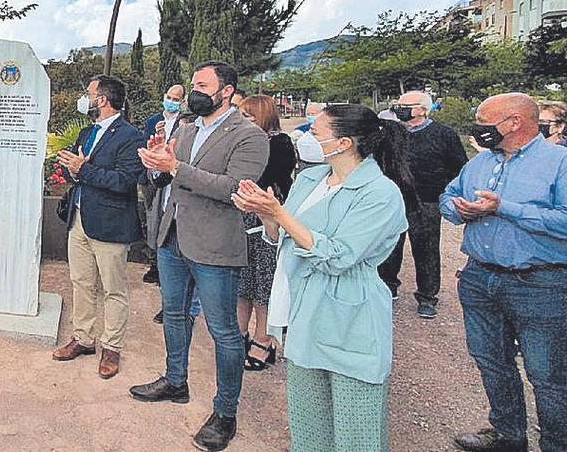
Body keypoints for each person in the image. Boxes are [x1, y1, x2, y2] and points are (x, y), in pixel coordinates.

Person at [233, 104, 413, 452]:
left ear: (344, 142)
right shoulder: (311, 178)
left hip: (348, 317)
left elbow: (340, 256)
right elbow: (281, 237)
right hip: (304, 312)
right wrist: (265, 214)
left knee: (355, 428)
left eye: (315, 133)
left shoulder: (380, 193)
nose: (307, 139)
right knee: (308, 422)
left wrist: (279, 213)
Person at [131, 61, 268, 452]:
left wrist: (174, 167)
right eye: (193, 84)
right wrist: (157, 166)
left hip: (214, 245)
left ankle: (225, 413)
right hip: (173, 237)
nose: (194, 91)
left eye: (202, 85)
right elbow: (169, 178)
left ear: (226, 91)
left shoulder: (249, 135)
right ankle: (176, 381)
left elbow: (232, 189)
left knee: (223, 331)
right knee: (174, 314)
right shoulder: (187, 129)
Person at [442, 93, 567, 452]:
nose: (477, 127)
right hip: (480, 278)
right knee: (491, 360)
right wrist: (459, 210)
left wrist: (506, 208)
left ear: (514, 122)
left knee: (548, 376)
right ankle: (507, 435)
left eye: (484, 119)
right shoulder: (480, 163)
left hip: (542, 283)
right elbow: (448, 196)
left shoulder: (559, 162)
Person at [51, 75, 144, 379]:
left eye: (88, 93)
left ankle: (112, 347)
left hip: (111, 223)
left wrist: (84, 169)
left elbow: (124, 181)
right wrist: (71, 169)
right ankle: (83, 338)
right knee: (81, 282)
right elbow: (79, 173)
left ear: (102, 100)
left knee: (113, 289)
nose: (85, 98)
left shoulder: (131, 136)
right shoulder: (85, 132)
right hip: (78, 220)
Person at [378, 90, 467, 319]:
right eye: (397, 104)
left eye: (405, 105)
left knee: (426, 249)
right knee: (390, 246)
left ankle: (427, 297)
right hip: (393, 199)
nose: (399, 108)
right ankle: (388, 287)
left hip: (426, 201)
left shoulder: (444, 135)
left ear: (422, 109)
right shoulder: (389, 133)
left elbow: (459, 168)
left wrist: (446, 193)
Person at [235, 95, 296, 371]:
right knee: (242, 280)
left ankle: (264, 339)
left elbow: (261, 177)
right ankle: (238, 335)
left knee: (264, 282)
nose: (241, 121)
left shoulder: (279, 143)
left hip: (266, 219)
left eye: (248, 116)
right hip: (242, 218)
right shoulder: (243, 141)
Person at [142, 84, 186, 288]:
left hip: (173, 180)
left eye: (176, 99)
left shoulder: (185, 123)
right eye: (169, 97)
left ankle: (164, 268)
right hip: (154, 179)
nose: (171, 101)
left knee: (166, 221)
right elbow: (144, 147)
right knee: (153, 220)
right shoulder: (153, 121)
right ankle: (154, 263)